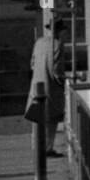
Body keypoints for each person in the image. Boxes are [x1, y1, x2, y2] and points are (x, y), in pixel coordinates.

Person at [25, 22, 67, 157]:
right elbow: (57, 71)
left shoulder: (39, 43)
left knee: (37, 117)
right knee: (51, 119)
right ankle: (47, 149)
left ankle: (36, 147)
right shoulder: (57, 44)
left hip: (37, 85)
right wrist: (63, 82)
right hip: (51, 87)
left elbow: (32, 64)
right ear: (59, 31)